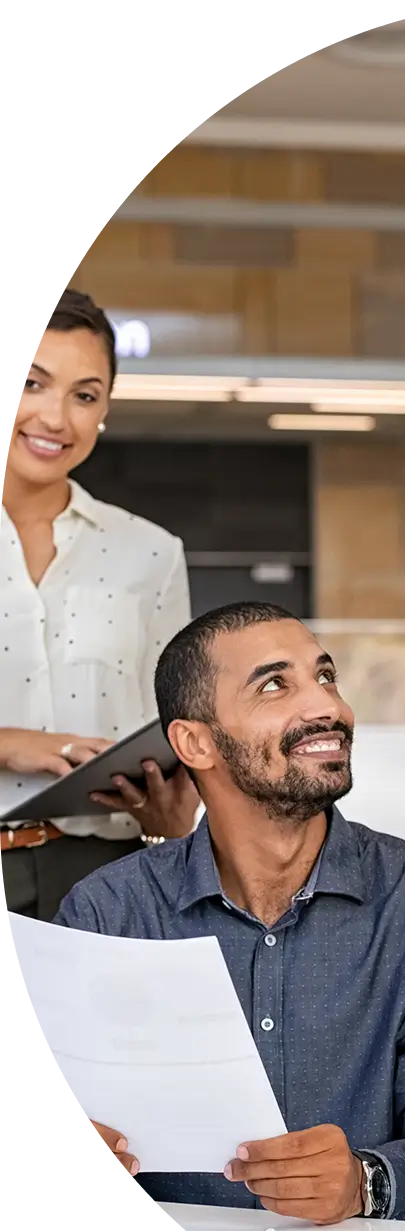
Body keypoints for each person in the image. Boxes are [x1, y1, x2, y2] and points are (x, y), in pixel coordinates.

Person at [55, 601, 405, 1226]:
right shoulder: (106, 913)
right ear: (196, 742)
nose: (329, 707)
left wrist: (365, 1184)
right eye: (275, 685)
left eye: (326, 677)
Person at [1, 288, 199, 920]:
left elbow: (173, 718)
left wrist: (176, 801)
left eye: (84, 395)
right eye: (32, 383)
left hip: (100, 877)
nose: (56, 418)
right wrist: (8, 742)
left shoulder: (151, 553)